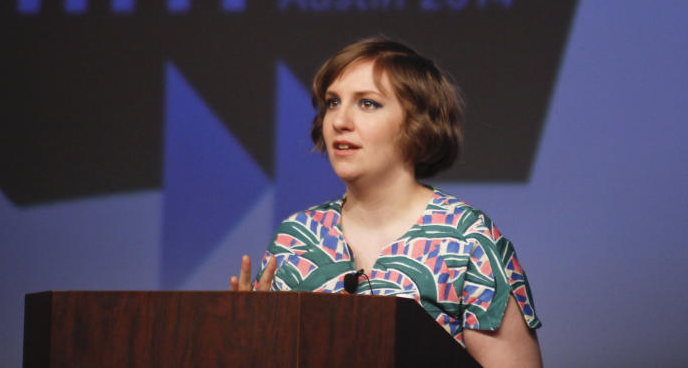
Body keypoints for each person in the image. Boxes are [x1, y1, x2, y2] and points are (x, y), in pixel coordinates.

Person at [229, 37, 542, 367]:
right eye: (333, 103)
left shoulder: (467, 240)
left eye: (367, 104)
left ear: (418, 125)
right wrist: (247, 341)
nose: (339, 121)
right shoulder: (296, 238)